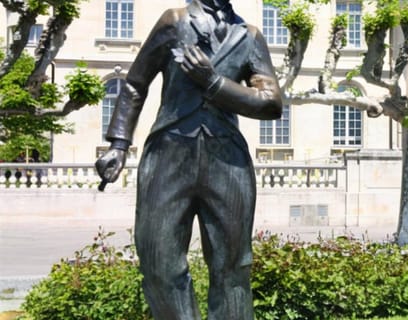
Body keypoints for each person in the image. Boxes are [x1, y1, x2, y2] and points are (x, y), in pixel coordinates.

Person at [94, 0, 283, 319]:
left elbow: (272, 103)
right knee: (158, 261)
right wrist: (119, 143)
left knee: (233, 266)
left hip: (227, 160)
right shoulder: (174, 22)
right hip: (168, 154)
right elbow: (135, 83)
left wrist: (213, 83)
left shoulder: (249, 36)